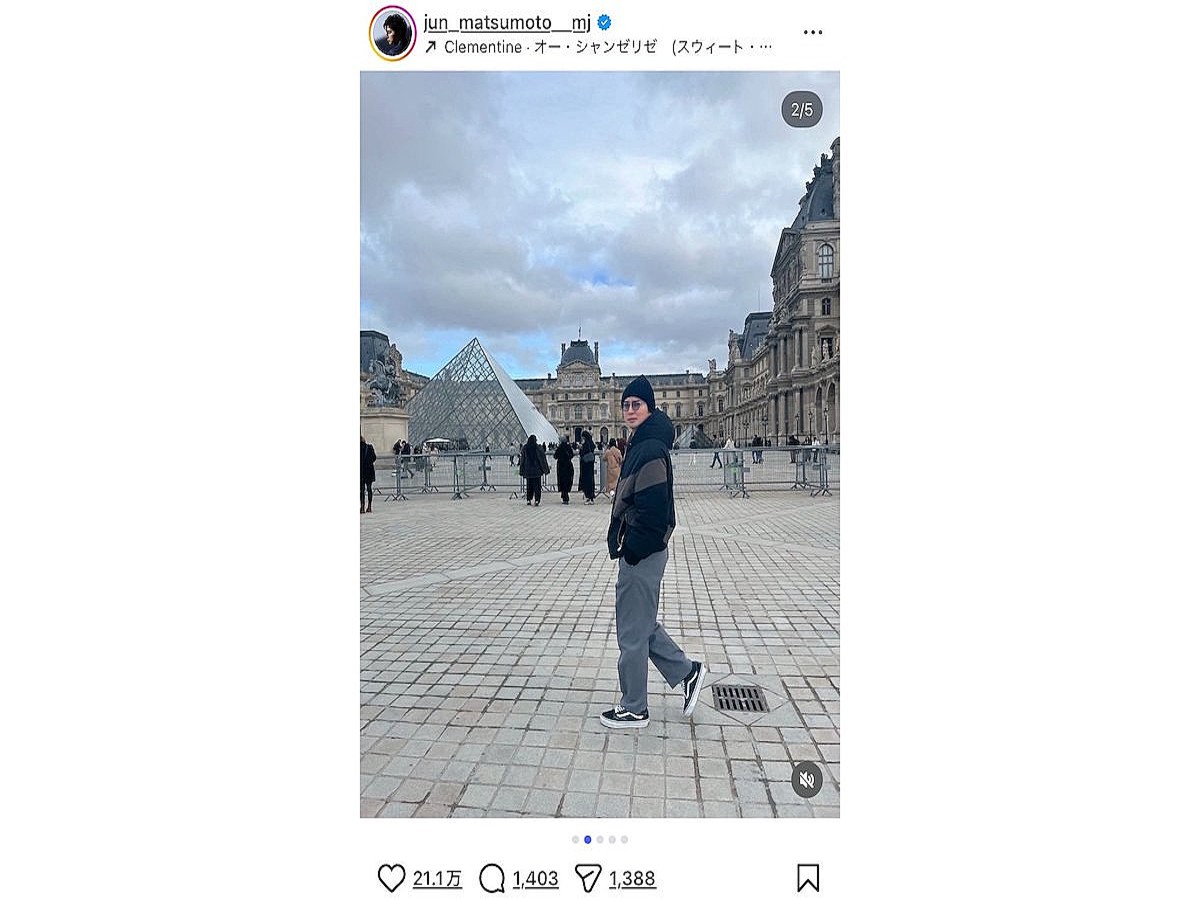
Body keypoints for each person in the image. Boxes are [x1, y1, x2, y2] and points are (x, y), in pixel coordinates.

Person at [601, 376, 706, 729]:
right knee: (641, 623)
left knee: (631, 631)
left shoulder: (647, 448)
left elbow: (655, 511)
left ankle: (634, 707)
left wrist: (632, 549)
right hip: (645, 550)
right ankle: (687, 672)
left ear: (650, 408)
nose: (630, 410)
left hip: (643, 551)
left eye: (637, 404)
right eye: (626, 405)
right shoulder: (644, 442)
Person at [518, 434, 546, 505]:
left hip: (528, 470)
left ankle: (529, 499)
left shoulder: (525, 448)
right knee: (537, 486)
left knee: (529, 486)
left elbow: (522, 460)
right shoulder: (538, 448)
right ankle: (537, 500)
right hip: (537, 471)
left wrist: (521, 470)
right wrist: (545, 469)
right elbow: (542, 459)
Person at [554, 436, 575, 504]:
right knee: (567, 480)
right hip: (568, 465)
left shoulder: (559, 448)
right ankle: (565, 495)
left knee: (562, 481)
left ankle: (564, 496)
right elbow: (572, 455)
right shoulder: (568, 447)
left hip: (561, 466)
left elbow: (555, 456)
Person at [578, 430, 597, 504]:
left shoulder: (585, 444)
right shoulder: (591, 444)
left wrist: (581, 448)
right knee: (591, 480)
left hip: (585, 465)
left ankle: (588, 497)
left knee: (586, 481)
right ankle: (591, 497)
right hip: (590, 465)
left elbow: (582, 454)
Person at [360, 435, 377, 513]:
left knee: (362, 490)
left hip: (361, 471)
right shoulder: (369, 447)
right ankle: (369, 506)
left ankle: (362, 507)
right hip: (369, 471)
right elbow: (374, 457)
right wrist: (369, 463)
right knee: (369, 489)